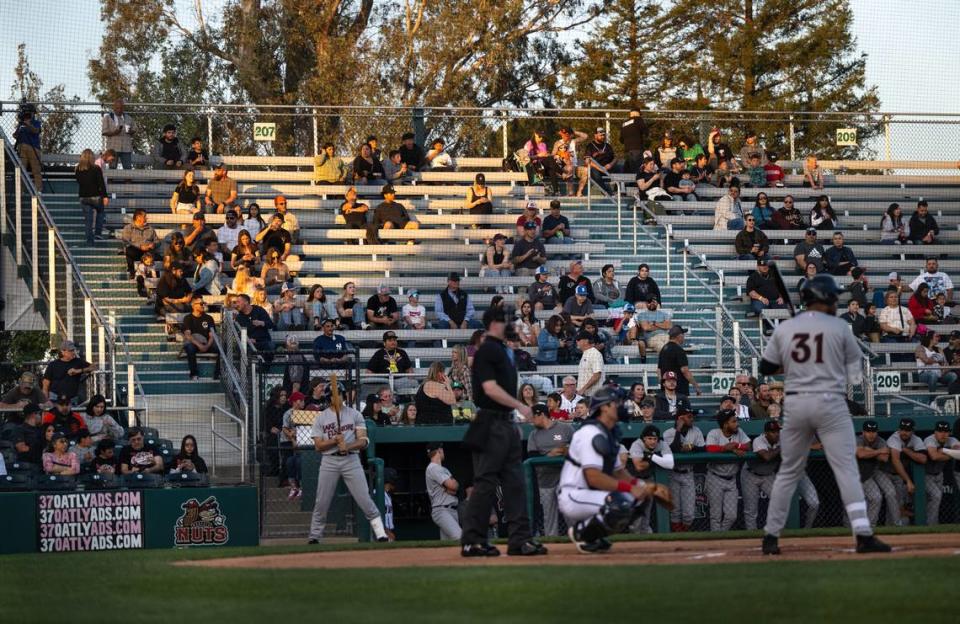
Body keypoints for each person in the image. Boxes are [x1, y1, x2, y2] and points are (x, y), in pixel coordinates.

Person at [759, 275, 890, 554]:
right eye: (833, 297)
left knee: (788, 472)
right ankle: (863, 535)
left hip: (795, 405)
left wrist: (792, 360)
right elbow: (855, 376)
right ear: (826, 298)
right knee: (846, 469)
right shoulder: (840, 327)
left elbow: (766, 368)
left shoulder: (787, 328)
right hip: (830, 402)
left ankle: (770, 537)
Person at [460, 308, 546, 557]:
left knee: (515, 484)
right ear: (495, 324)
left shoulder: (503, 350)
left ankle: (519, 540)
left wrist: (513, 419)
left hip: (506, 423)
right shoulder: (487, 349)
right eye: (507, 321)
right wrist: (520, 406)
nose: (512, 325)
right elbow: (489, 389)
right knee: (486, 484)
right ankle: (473, 540)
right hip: (490, 422)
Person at [560, 386, 666, 553]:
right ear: (604, 407)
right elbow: (593, 477)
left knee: (641, 498)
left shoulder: (608, 432)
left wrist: (644, 486)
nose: (621, 406)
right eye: (616, 403)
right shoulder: (591, 433)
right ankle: (582, 532)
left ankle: (594, 535)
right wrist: (631, 488)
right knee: (621, 503)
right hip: (574, 494)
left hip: (592, 493)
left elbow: (618, 472)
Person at [307, 380, 390, 544]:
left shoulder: (354, 414)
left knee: (365, 500)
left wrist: (348, 445)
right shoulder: (321, 418)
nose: (336, 399)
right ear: (329, 398)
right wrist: (334, 441)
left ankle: (380, 534)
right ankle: (315, 537)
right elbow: (318, 446)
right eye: (333, 396)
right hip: (329, 461)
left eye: (339, 395)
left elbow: (364, 441)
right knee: (322, 502)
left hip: (351, 460)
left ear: (344, 396)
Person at [703, 409, 750, 531]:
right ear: (725, 424)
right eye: (733, 421)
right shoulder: (714, 433)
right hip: (715, 478)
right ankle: (716, 541)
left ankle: (721, 535)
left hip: (731, 480)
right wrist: (726, 448)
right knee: (716, 516)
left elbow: (749, 445)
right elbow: (709, 448)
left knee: (731, 515)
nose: (737, 424)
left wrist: (735, 446)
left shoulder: (739, 432)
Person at [663, 406, 704, 532]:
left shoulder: (696, 431)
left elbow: (703, 448)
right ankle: (678, 539)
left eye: (692, 416)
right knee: (675, 511)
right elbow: (673, 449)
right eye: (689, 416)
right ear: (680, 418)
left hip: (688, 474)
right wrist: (678, 429)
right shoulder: (668, 433)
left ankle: (684, 533)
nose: (692, 419)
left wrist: (691, 447)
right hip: (673, 474)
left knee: (689, 514)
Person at [856, 420, 901, 528]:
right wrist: (878, 451)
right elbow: (860, 454)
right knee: (876, 497)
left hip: (875, 471)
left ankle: (896, 524)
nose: (871, 434)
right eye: (868, 431)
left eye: (873, 431)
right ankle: (870, 525)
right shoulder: (858, 439)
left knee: (891, 492)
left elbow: (885, 458)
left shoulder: (880, 440)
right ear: (863, 432)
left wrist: (868, 451)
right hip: (860, 473)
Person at [740, 420, 781, 530]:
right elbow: (767, 457)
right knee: (751, 510)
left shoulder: (782, 440)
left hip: (768, 475)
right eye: (773, 432)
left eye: (778, 431)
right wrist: (780, 448)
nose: (776, 434)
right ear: (766, 433)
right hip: (751, 474)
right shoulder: (759, 440)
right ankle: (752, 536)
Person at [922, 421, 960, 525]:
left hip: (939, 474)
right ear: (935, 432)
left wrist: (944, 450)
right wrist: (952, 454)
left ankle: (931, 523)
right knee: (936, 496)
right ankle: (931, 524)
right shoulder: (930, 440)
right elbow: (934, 456)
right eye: (940, 431)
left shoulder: (952, 440)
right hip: (925, 475)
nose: (943, 434)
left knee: (935, 499)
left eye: (946, 431)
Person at [425, 442, 462, 540]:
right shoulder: (433, 467)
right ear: (439, 451)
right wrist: (451, 485)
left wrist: (450, 487)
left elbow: (455, 490)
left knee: (447, 545)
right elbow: (453, 485)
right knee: (460, 537)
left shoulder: (442, 469)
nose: (443, 451)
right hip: (442, 510)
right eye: (442, 449)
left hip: (451, 509)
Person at [74, 149, 109, 244]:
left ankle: (90, 241)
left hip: (83, 197)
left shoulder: (78, 169)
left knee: (88, 220)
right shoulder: (96, 168)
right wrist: (105, 196)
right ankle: (98, 233)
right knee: (100, 212)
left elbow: (79, 182)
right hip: (96, 196)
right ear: (92, 157)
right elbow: (101, 184)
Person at [658, 326, 701, 397]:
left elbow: (659, 370)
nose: (684, 337)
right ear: (679, 336)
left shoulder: (664, 349)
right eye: (683, 335)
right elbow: (685, 371)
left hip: (667, 390)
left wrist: (664, 385)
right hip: (679, 389)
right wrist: (696, 386)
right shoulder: (679, 350)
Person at [182, 295, 217, 380]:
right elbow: (188, 335)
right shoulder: (188, 318)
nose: (203, 305)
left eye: (203, 303)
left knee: (223, 348)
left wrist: (207, 346)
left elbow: (212, 335)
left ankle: (217, 373)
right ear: (193, 305)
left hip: (206, 343)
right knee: (190, 348)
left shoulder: (208, 318)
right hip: (194, 343)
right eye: (201, 304)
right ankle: (194, 374)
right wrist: (200, 346)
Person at [916, 331, 956, 402]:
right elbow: (926, 360)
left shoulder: (939, 349)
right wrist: (937, 360)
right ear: (930, 338)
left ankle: (950, 399)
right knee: (933, 375)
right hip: (924, 374)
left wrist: (944, 370)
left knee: (953, 375)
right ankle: (933, 401)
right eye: (937, 336)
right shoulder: (920, 348)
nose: (939, 338)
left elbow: (945, 363)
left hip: (938, 373)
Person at [120, 209, 159, 279]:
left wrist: (153, 244)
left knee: (157, 256)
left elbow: (157, 241)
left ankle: (153, 274)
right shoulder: (128, 228)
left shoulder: (150, 229)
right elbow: (126, 241)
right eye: (145, 216)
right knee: (129, 250)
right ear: (138, 217)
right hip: (135, 251)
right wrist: (140, 246)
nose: (146, 218)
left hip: (148, 252)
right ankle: (132, 272)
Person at [13, 101, 43, 190]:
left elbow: (36, 131)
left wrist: (28, 124)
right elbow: (15, 135)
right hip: (22, 147)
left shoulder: (36, 122)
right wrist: (20, 128)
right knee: (22, 170)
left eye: (30, 113)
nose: (28, 115)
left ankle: (38, 190)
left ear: (33, 113)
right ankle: (20, 190)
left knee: (36, 170)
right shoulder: (21, 123)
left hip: (34, 148)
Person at [579, 127, 616, 195]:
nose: (602, 137)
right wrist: (600, 168)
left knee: (620, 168)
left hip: (607, 167)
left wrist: (611, 164)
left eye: (603, 135)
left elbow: (615, 158)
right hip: (596, 168)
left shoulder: (607, 146)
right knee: (594, 172)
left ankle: (620, 191)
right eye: (600, 135)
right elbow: (587, 162)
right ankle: (606, 192)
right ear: (595, 135)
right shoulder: (590, 146)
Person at [101, 99, 135, 169]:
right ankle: (110, 180)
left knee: (128, 171)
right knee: (112, 170)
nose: (119, 110)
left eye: (121, 108)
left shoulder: (128, 118)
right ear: (113, 108)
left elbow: (134, 130)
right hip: (113, 148)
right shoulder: (108, 117)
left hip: (126, 148)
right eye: (117, 108)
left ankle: (127, 180)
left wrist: (130, 131)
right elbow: (104, 132)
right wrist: (114, 133)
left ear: (123, 108)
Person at [619, 109, 649, 174]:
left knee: (629, 168)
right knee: (637, 169)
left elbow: (621, 139)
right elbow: (646, 132)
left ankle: (627, 183)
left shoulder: (624, 123)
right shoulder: (638, 120)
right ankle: (637, 183)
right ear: (637, 113)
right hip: (637, 148)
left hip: (627, 149)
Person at [575, 331, 605, 397]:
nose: (576, 342)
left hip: (594, 395)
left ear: (586, 341)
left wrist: (583, 389)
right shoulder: (586, 354)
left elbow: (597, 375)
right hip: (586, 395)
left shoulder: (594, 353)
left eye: (579, 340)